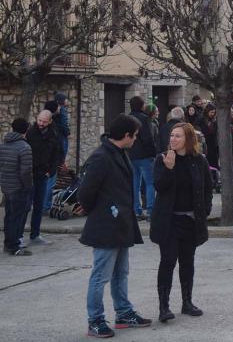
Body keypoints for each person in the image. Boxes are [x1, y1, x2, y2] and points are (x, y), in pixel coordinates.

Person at [78, 114, 152, 338]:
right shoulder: (102, 157)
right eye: (135, 135)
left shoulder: (119, 153)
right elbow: (85, 192)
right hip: (106, 225)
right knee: (101, 275)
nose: (136, 139)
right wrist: (100, 211)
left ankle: (124, 312)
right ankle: (95, 320)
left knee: (121, 272)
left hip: (121, 224)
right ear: (126, 135)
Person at [151, 123, 213, 323]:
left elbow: (207, 188)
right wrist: (168, 169)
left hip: (190, 221)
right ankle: (164, 307)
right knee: (168, 261)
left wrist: (204, 211)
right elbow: (160, 187)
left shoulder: (199, 160)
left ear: (188, 139)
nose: (173, 139)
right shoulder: (163, 159)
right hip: (169, 221)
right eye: (171, 135)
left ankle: (187, 302)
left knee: (188, 262)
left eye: (178, 136)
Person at [25, 109, 62, 245]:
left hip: (43, 174)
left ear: (50, 121)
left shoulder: (53, 134)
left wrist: (51, 171)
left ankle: (35, 235)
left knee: (39, 206)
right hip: (30, 174)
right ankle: (19, 235)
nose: (41, 123)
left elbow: (56, 154)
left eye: (44, 122)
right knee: (26, 205)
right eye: (39, 120)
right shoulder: (30, 133)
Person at [1, 118, 33, 256]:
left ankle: (8, 243)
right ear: (26, 130)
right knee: (16, 217)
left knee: (9, 216)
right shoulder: (25, 147)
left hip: (6, 186)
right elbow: (25, 171)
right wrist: (28, 186)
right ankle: (14, 246)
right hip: (19, 187)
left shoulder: (3, 145)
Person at [128, 96, 158, 221]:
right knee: (150, 183)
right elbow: (148, 138)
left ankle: (137, 210)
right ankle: (151, 211)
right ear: (141, 106)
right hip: (145, 155)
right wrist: (153, 152)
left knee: (135, 183)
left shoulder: (127, 118)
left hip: (130, 154)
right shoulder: (144, 119)